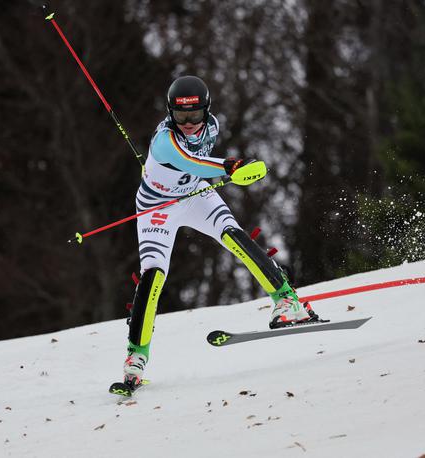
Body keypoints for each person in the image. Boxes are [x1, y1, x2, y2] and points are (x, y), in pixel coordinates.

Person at [122, 75, 320, 388]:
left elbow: (196, 168)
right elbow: (192, 162)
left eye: (195, 115)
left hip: (194, 195)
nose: (188, 123)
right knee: (154, 274)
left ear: (206, 111)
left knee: (233, 234)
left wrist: (226, 169)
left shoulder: (212, 125)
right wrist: (230, 167)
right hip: (156, 207)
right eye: (180, 116)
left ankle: (286, 300)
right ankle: (137, 355)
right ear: (170, 114)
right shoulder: (164, 140)